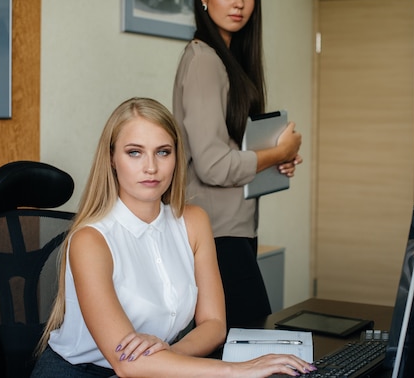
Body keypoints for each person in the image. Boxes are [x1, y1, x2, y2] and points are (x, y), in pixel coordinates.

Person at [31, 97, 314, 377]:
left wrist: (167, 354)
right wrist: (238, 370)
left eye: (163, 152)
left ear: (176, 156)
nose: (151, 167)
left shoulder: (193, 221)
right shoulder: (91, 240)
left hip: (155, 367)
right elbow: (127, 363)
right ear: (111, 159)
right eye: (134, 152)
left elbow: (214, 324)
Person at [172, 0, 303, 328]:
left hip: (234, 227)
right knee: (249, 338)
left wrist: (275, 160)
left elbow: (230, 146)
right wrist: (277, 152)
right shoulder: (203, 61)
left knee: (243, 343)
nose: (239, 4)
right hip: (217, 232)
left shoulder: (227, 61)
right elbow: (213, 165)